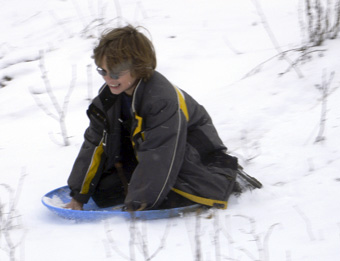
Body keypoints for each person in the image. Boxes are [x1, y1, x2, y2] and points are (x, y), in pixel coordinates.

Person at [65, 25, 242, 211]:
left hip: (193, 157)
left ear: (139, 67)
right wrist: (79, 196)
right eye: (102, 71)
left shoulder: (162, 100)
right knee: (104, 192)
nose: (109, 79)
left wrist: (137, 204)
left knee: (173, 195)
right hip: (149, 152)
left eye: (116, 73)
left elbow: (160, 155)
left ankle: (220, 179)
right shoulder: (107, 99)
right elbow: (94, 144)